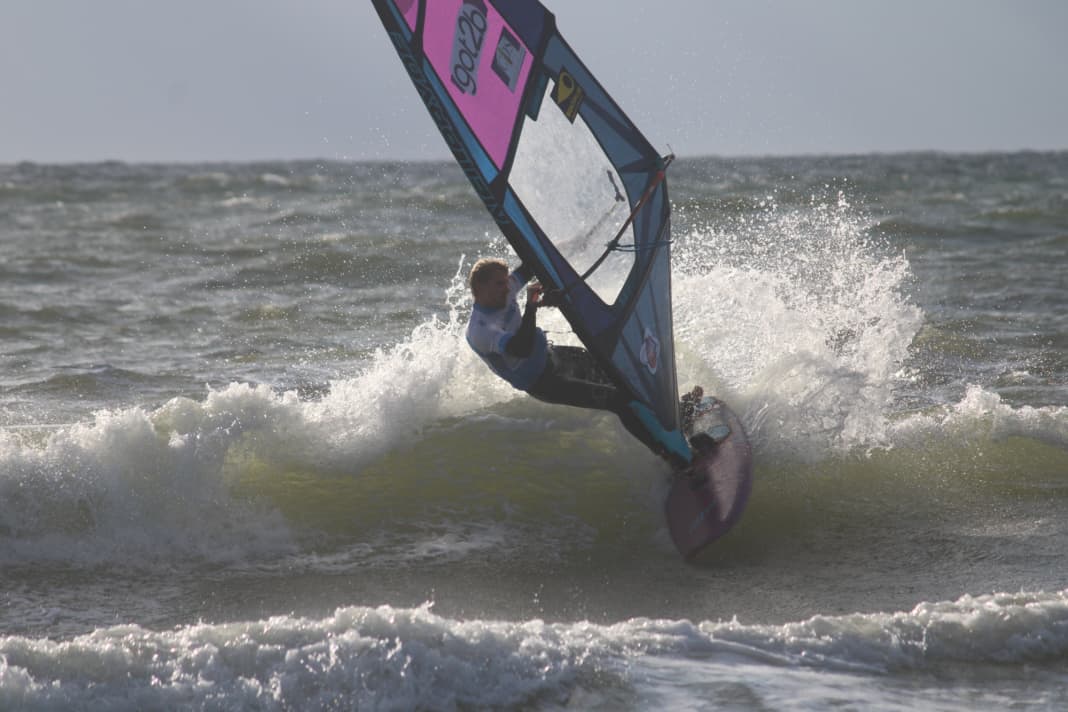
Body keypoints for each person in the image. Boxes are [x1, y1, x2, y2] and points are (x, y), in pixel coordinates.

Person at [465, 257, 695, 465]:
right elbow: (521, 349)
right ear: (479, 289)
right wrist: (532, 306)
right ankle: (671, 457)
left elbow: (531, 264)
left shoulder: (504, 289)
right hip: (544, 382)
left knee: (617, 370)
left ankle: (672, 416)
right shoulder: (480, 330)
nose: (508, 288)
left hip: (552, 355)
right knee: (618, 400)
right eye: (499, 284)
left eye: (507, 282)